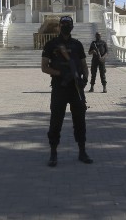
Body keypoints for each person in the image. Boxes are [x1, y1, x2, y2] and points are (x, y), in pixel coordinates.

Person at [41, 16, 93, 167]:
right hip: (60, 87)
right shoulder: (52, 44)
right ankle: (53, 153)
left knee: (80, 120)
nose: (66, 27)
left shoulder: (77, 45)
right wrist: (60, 74)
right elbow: (44, 67)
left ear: (72, 26)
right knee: (56, 120)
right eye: (64, 25)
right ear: (59, 26)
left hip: (76, 87)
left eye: (68, 25)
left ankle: (82, 151)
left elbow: (83, 65)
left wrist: (84, 79)